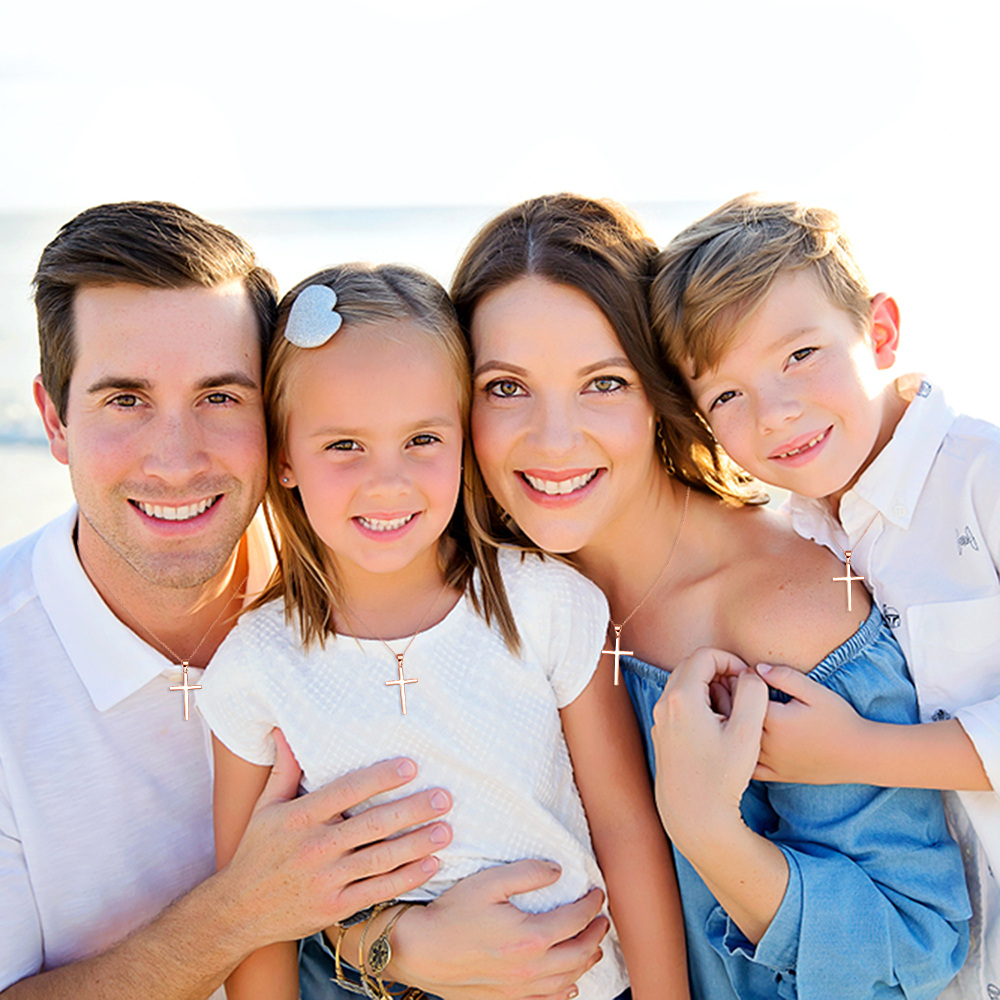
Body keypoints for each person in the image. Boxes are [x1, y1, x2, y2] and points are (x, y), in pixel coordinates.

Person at [450, 192, 972, 999]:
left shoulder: (785, 611)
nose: (553, 439)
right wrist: (389, 948)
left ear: (664, 396)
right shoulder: (481, 594)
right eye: (506, 387)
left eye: (603, 382)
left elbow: (918, 945)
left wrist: (711, 836)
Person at [0, 201, 466, 999]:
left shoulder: (377, 586)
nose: (177, 459)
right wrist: (240, 914)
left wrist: (384, 944)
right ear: (55, 420)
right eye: (125, 400)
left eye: (221, 397)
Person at [197, 262, 686, 1000]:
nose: (387, 481)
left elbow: (625, 829)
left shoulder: (545, 606)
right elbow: (253, 915)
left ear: (463, 436)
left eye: (422, 439)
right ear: (285, 458)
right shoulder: (257, 667)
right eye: (343, 446)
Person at [650, 193, 999, 998]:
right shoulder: (798, 535)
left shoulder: (982, 479)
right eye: (727, 397)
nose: (776, 412)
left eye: (801, 355)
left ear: (878, 332)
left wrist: (855, 751)